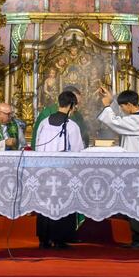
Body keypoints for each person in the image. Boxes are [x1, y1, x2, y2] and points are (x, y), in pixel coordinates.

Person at [97, 88, 139, 248]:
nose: (122, 109)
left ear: (130, 105)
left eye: (123, 106)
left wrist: (107, 105)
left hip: (136, 169)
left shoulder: (137, 121)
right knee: (138, 201)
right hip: (136, 167)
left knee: (137, 201)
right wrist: (111, 99)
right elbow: (119, 117)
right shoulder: (135, 117)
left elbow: (115, 122)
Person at [34, 91, 84, 248]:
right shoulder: (72, 126)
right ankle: (60, 239)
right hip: (64, 171)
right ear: (70, 106)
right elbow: (77, 152)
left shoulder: (44, 122)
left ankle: (44, 239)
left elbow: (37, 146)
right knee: (62, 202)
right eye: (74, 106)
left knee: (45, 203)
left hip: (43, 170)